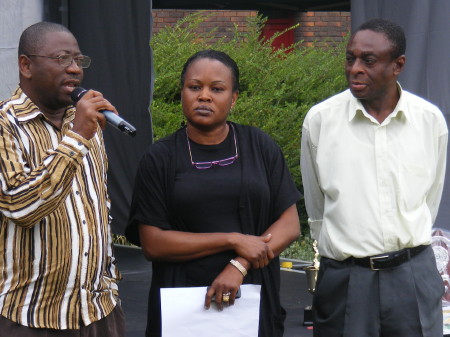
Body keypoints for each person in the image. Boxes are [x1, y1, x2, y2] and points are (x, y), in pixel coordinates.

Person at [125, 49, 301, 337]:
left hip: (251, 300)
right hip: (182, 308)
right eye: (195, 87)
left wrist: (239, 265)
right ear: (182, 93)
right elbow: (153, 243)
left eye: (217, 89)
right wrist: (232, 239)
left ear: (233, 98)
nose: (204, 96)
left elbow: (289, 224)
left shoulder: (259, 145)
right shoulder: (160, 158)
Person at [301, 18, 448, 337]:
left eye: (368, 60)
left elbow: (429, 198)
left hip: (412, 276)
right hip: (345, 279)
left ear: (398, 65)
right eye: (350, 58)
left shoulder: (429, 121)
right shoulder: (321, 121)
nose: (355, 68)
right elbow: (317, 204)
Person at [0, 22, 124, 336]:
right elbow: (21, 207)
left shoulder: (86, 123)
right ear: (26, 65)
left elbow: (97, 206)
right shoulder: (6, 124)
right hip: (30, 315)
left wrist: (109, 278)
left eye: (78, 61)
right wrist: (77, 137)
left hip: (98, 311)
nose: (74, 70)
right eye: (61, 60)